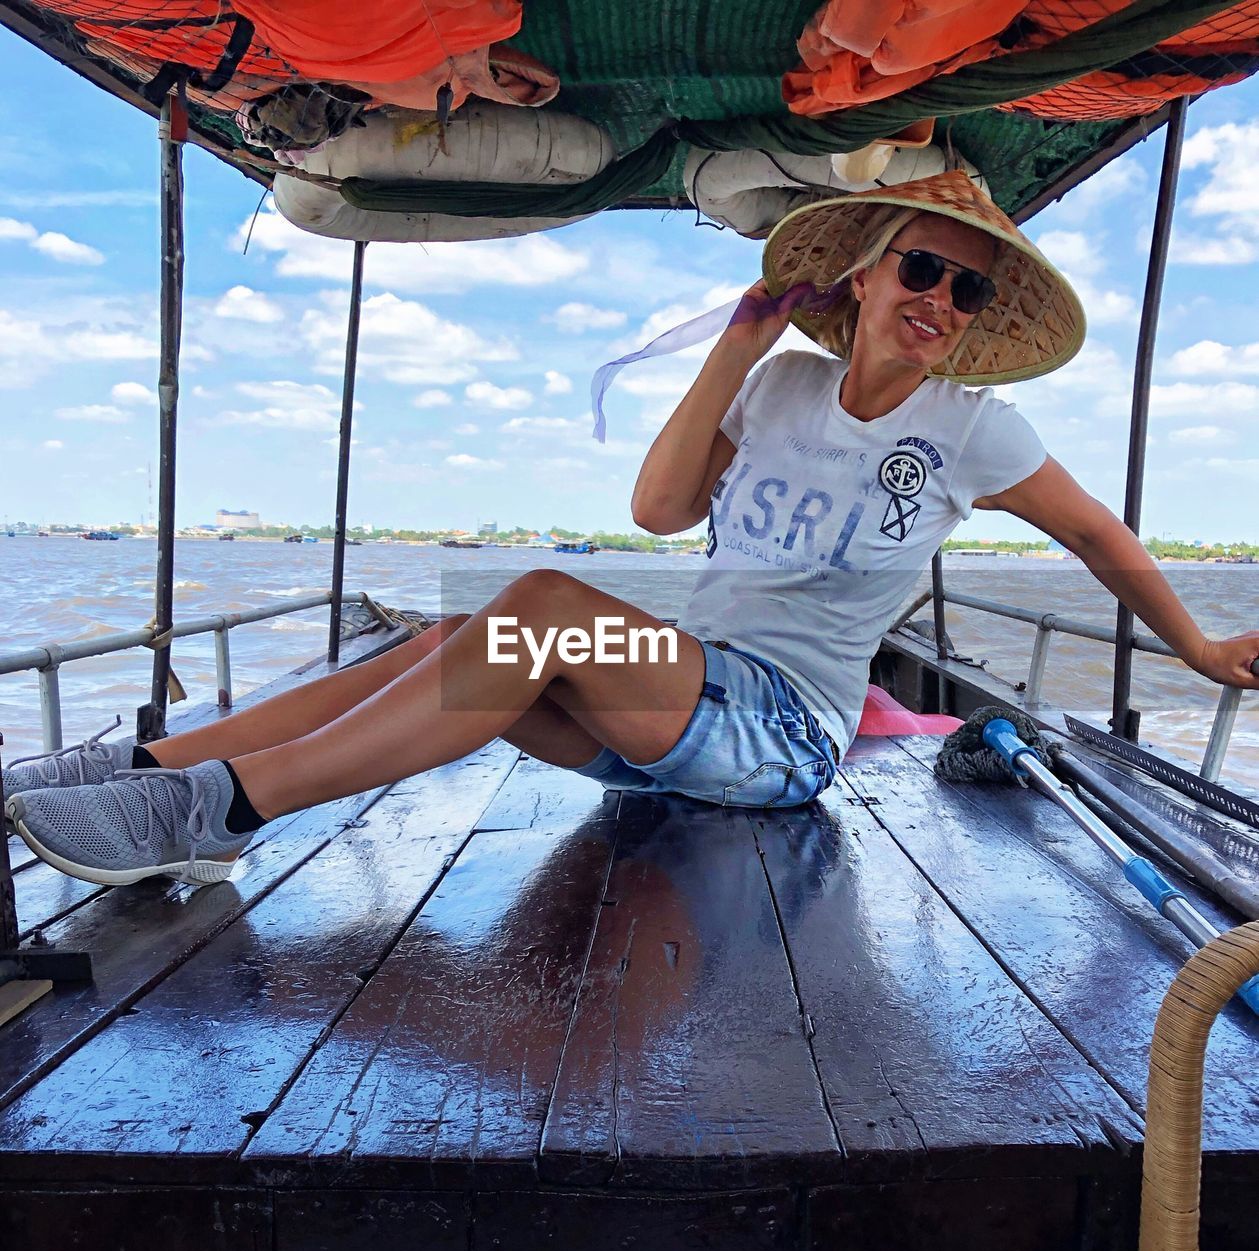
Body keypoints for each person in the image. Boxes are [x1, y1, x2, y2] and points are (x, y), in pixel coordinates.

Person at [6, 171, 1258, 888]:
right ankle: (155, 775)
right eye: (918, 271)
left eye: (963, 287)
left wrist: (1196, 649)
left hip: (779, 735)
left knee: (538, 604)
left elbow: (1098, 537)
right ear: (865, 276)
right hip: (677, 701)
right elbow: (658, 509)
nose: (937, 301)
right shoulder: (777, 384)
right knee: (458, 629)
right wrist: (736, 345)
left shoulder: (973, 429)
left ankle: (219, 813)